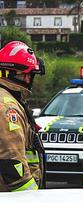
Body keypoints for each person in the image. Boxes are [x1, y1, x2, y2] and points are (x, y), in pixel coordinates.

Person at [0, 41, 44, 193]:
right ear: (25, 76)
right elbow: (11, 161)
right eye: (31, 75)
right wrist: (30, 196)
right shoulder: (8, 107)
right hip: (12, 200)